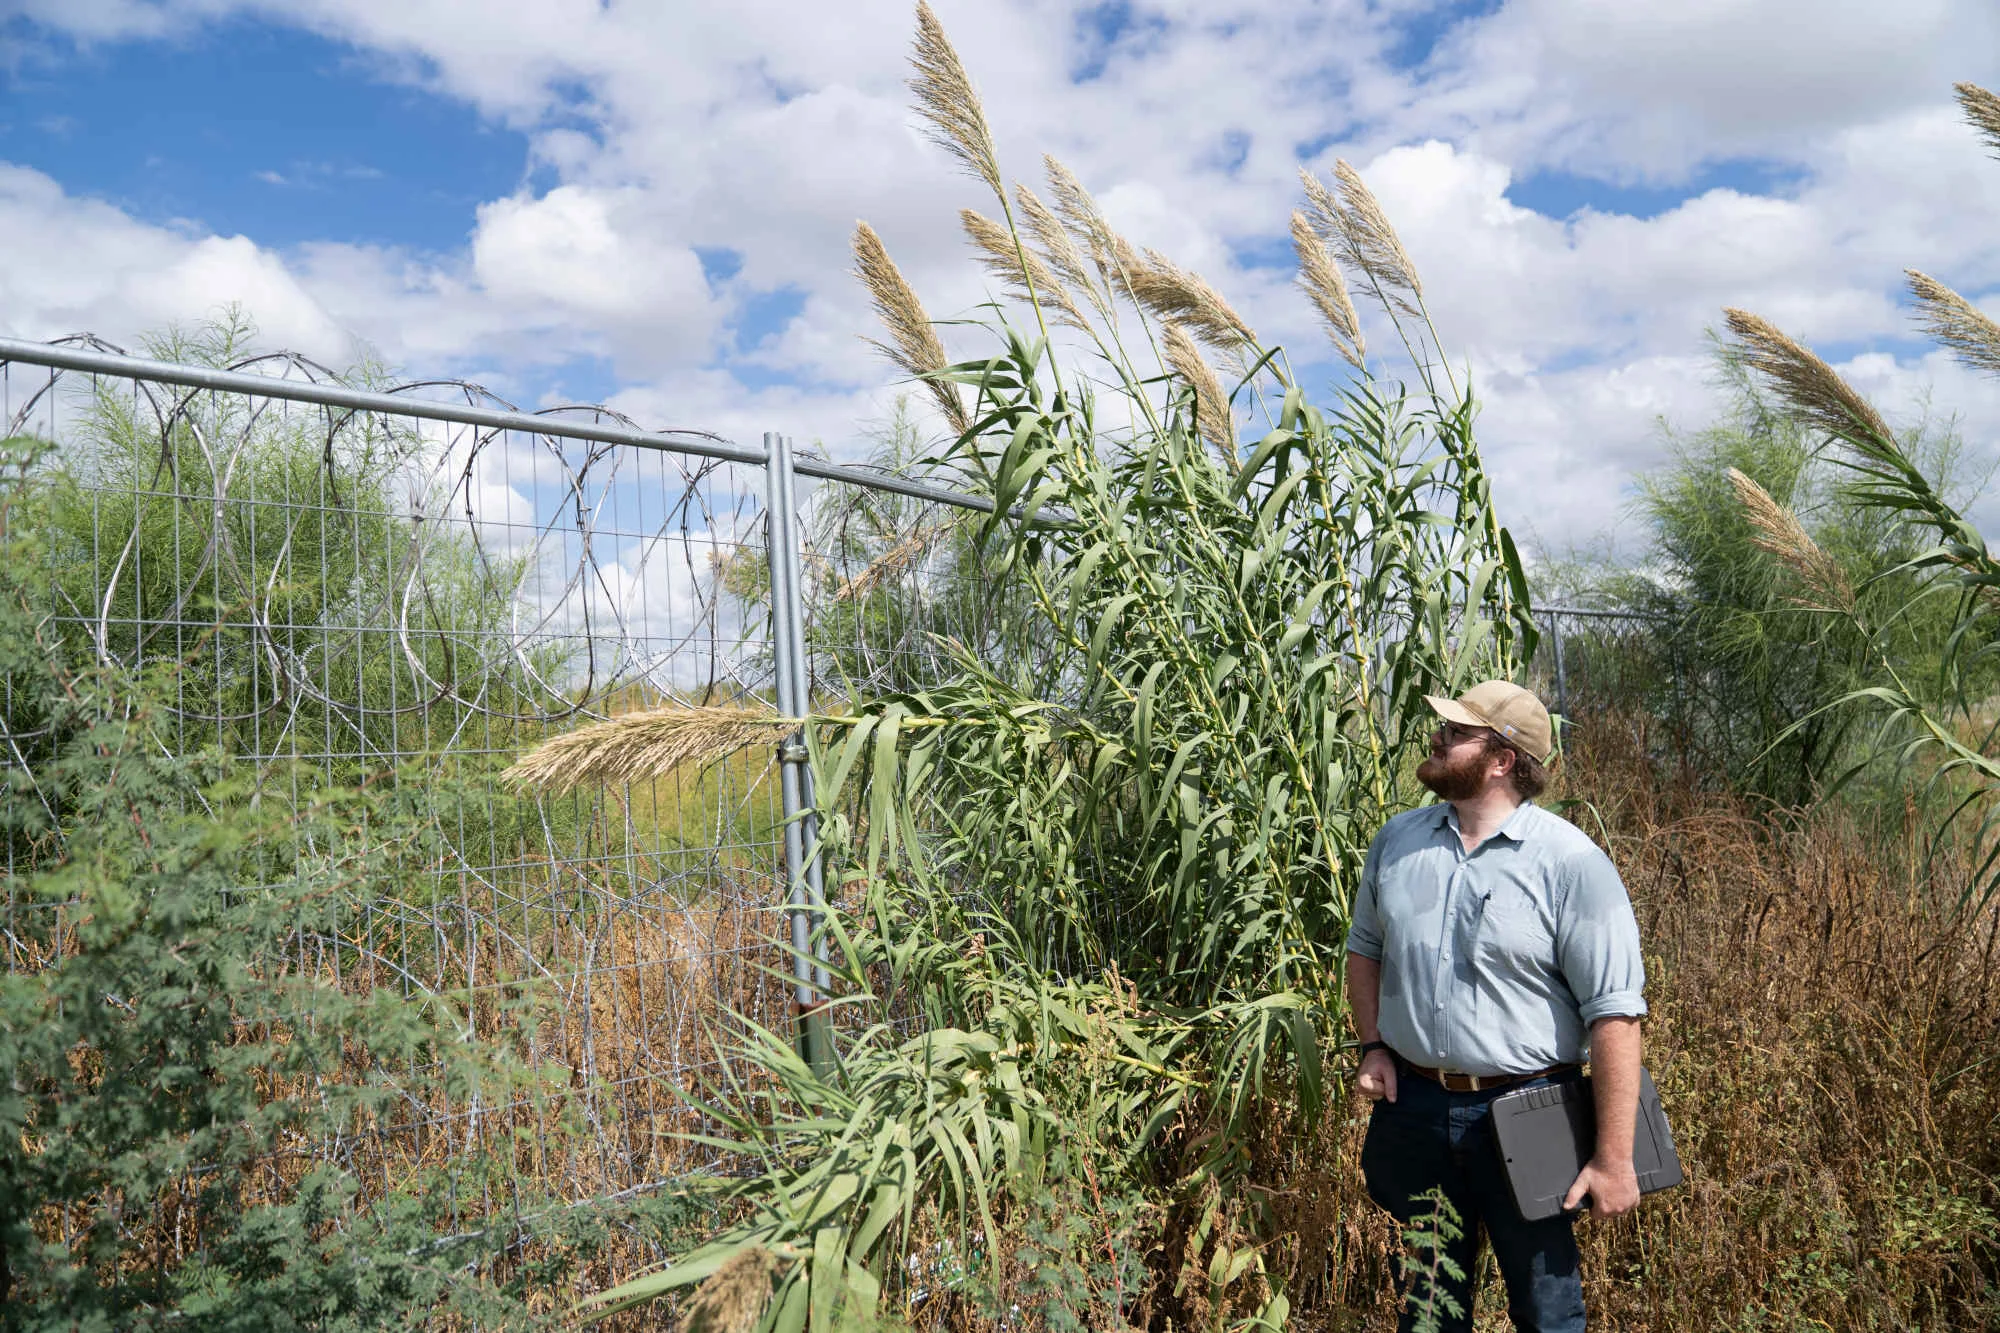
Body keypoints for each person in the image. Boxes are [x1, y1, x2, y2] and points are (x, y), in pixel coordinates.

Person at [1344, 680, 1647, 1332]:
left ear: (1502, 759)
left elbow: (1615, 1016)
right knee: (1429, 1309)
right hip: (1415, 1109)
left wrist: (1614, 1158)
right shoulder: (1397, 841)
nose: (1437, 738)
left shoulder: (1572, 863)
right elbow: (1364, 950)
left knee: (1546, 1311)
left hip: (1531, 1112)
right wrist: (1372, 1046)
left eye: (1457, 732)